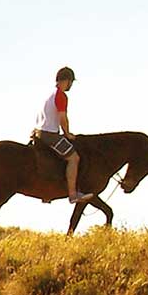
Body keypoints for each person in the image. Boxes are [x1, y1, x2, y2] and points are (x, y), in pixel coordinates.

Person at [33, 66, 91, 203]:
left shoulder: (48, 94)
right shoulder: (61, 95)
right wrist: (67, 133)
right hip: (50, 134)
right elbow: (62, 118)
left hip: (38, 132)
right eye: (71, 82)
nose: (71, 85)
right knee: (74, 158)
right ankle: (73, 194)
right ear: (67, 81)